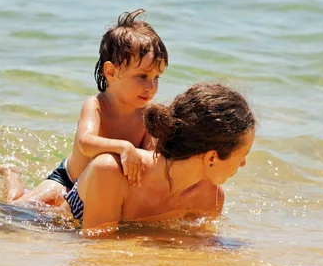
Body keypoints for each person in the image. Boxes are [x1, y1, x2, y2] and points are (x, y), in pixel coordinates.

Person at [0, 9, 168, 205]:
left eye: (156, 77)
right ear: (110, 72)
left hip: (103, 187)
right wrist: (124, 147)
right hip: (68, 182)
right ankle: (10, 172)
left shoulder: (147, 114)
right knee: (17, 208)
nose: (151, 86)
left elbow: (152, 158)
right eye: (142, 76)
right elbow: (86, 142)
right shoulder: (96, 105)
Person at [64, 82, 257, 234]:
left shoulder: (210, 198)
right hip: (52, 227)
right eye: (243, 155)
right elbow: (96, 251)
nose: (243, 163)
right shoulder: (111, 170)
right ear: (211, 158)